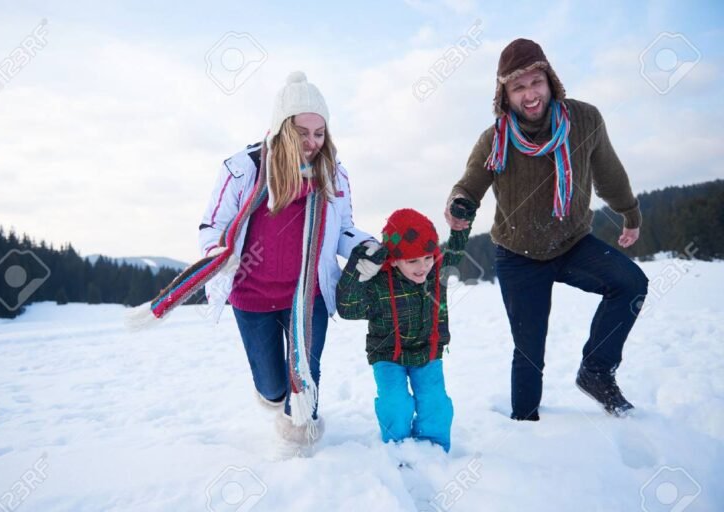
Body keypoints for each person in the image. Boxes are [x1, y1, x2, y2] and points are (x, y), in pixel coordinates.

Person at [444, 39, 649, 421]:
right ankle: (525, 423)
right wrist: (460, 203)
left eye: (535, 82)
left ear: (550, 81)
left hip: (572, 242)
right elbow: (471, 183)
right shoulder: (496, 139)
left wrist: (630, 214)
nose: (530, 94)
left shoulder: (585, 121)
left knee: (631, 284)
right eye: (518, 87)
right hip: (517, 255)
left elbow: (608, 174)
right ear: (504, 95)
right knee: (528, 352)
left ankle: (597, 371)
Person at [197, 71, 373, 453]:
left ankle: (301, 455)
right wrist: (217, 254)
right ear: (281, 129)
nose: (312, 143)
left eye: (320, 133)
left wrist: (369, 246)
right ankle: (278, 399)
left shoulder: (333, 174)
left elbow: (343, 230)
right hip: (253, 297)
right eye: (302, 132)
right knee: (273, 388)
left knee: (305, 377)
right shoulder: (244, 169)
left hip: (308, 297)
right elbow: (213, 226)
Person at [336, 207, 475, 452]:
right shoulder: (378, 282)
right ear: (394, 259)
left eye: (428, 258)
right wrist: (355, 270)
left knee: (435, 403)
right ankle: (397, 446)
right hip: (388, 355)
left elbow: (454, 250)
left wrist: (461, 225)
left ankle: (433, 447)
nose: (423, 267)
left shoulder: (436, 273)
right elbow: (348, 309)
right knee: (395, 404)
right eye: (412, 261)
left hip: (427, 351)